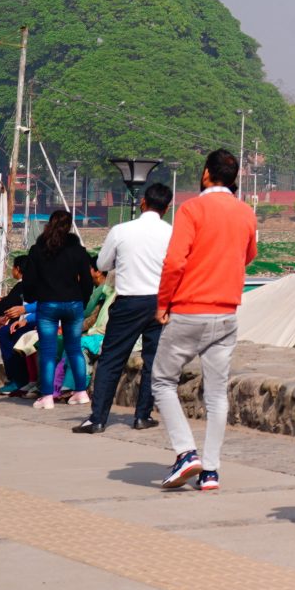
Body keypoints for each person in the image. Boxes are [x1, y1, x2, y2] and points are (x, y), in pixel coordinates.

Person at [151, 147, 257, 490]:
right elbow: (249, 255)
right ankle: (210, 470)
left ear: (205, 174)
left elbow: (175, 262)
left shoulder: (191, 209)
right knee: (216, 395)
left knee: (162, 381)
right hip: (226, 312)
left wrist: (163, 302)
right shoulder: (245, 213)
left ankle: (185, 452)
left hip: (189, 309)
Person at [81, 182, 172, 433]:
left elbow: (103, 263)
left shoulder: (121, 230)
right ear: (167, 207)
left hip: (129, 299)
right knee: (152, 360)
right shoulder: (170, 233)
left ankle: (98, 418)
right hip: (158, 302)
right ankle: (143, 415)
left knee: (111, 359)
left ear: (143, 202)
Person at [17, 208, 98, 409]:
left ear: (50, 223)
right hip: (73, 304)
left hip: (48, 305)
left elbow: (29, 280)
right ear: (69, 226)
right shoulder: (78, 251)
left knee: (47, 351)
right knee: (74, 349)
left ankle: (46, 397)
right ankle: (80, 392)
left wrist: (31, 298)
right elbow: (87, 280)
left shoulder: (38, 250)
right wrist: (83, 299)